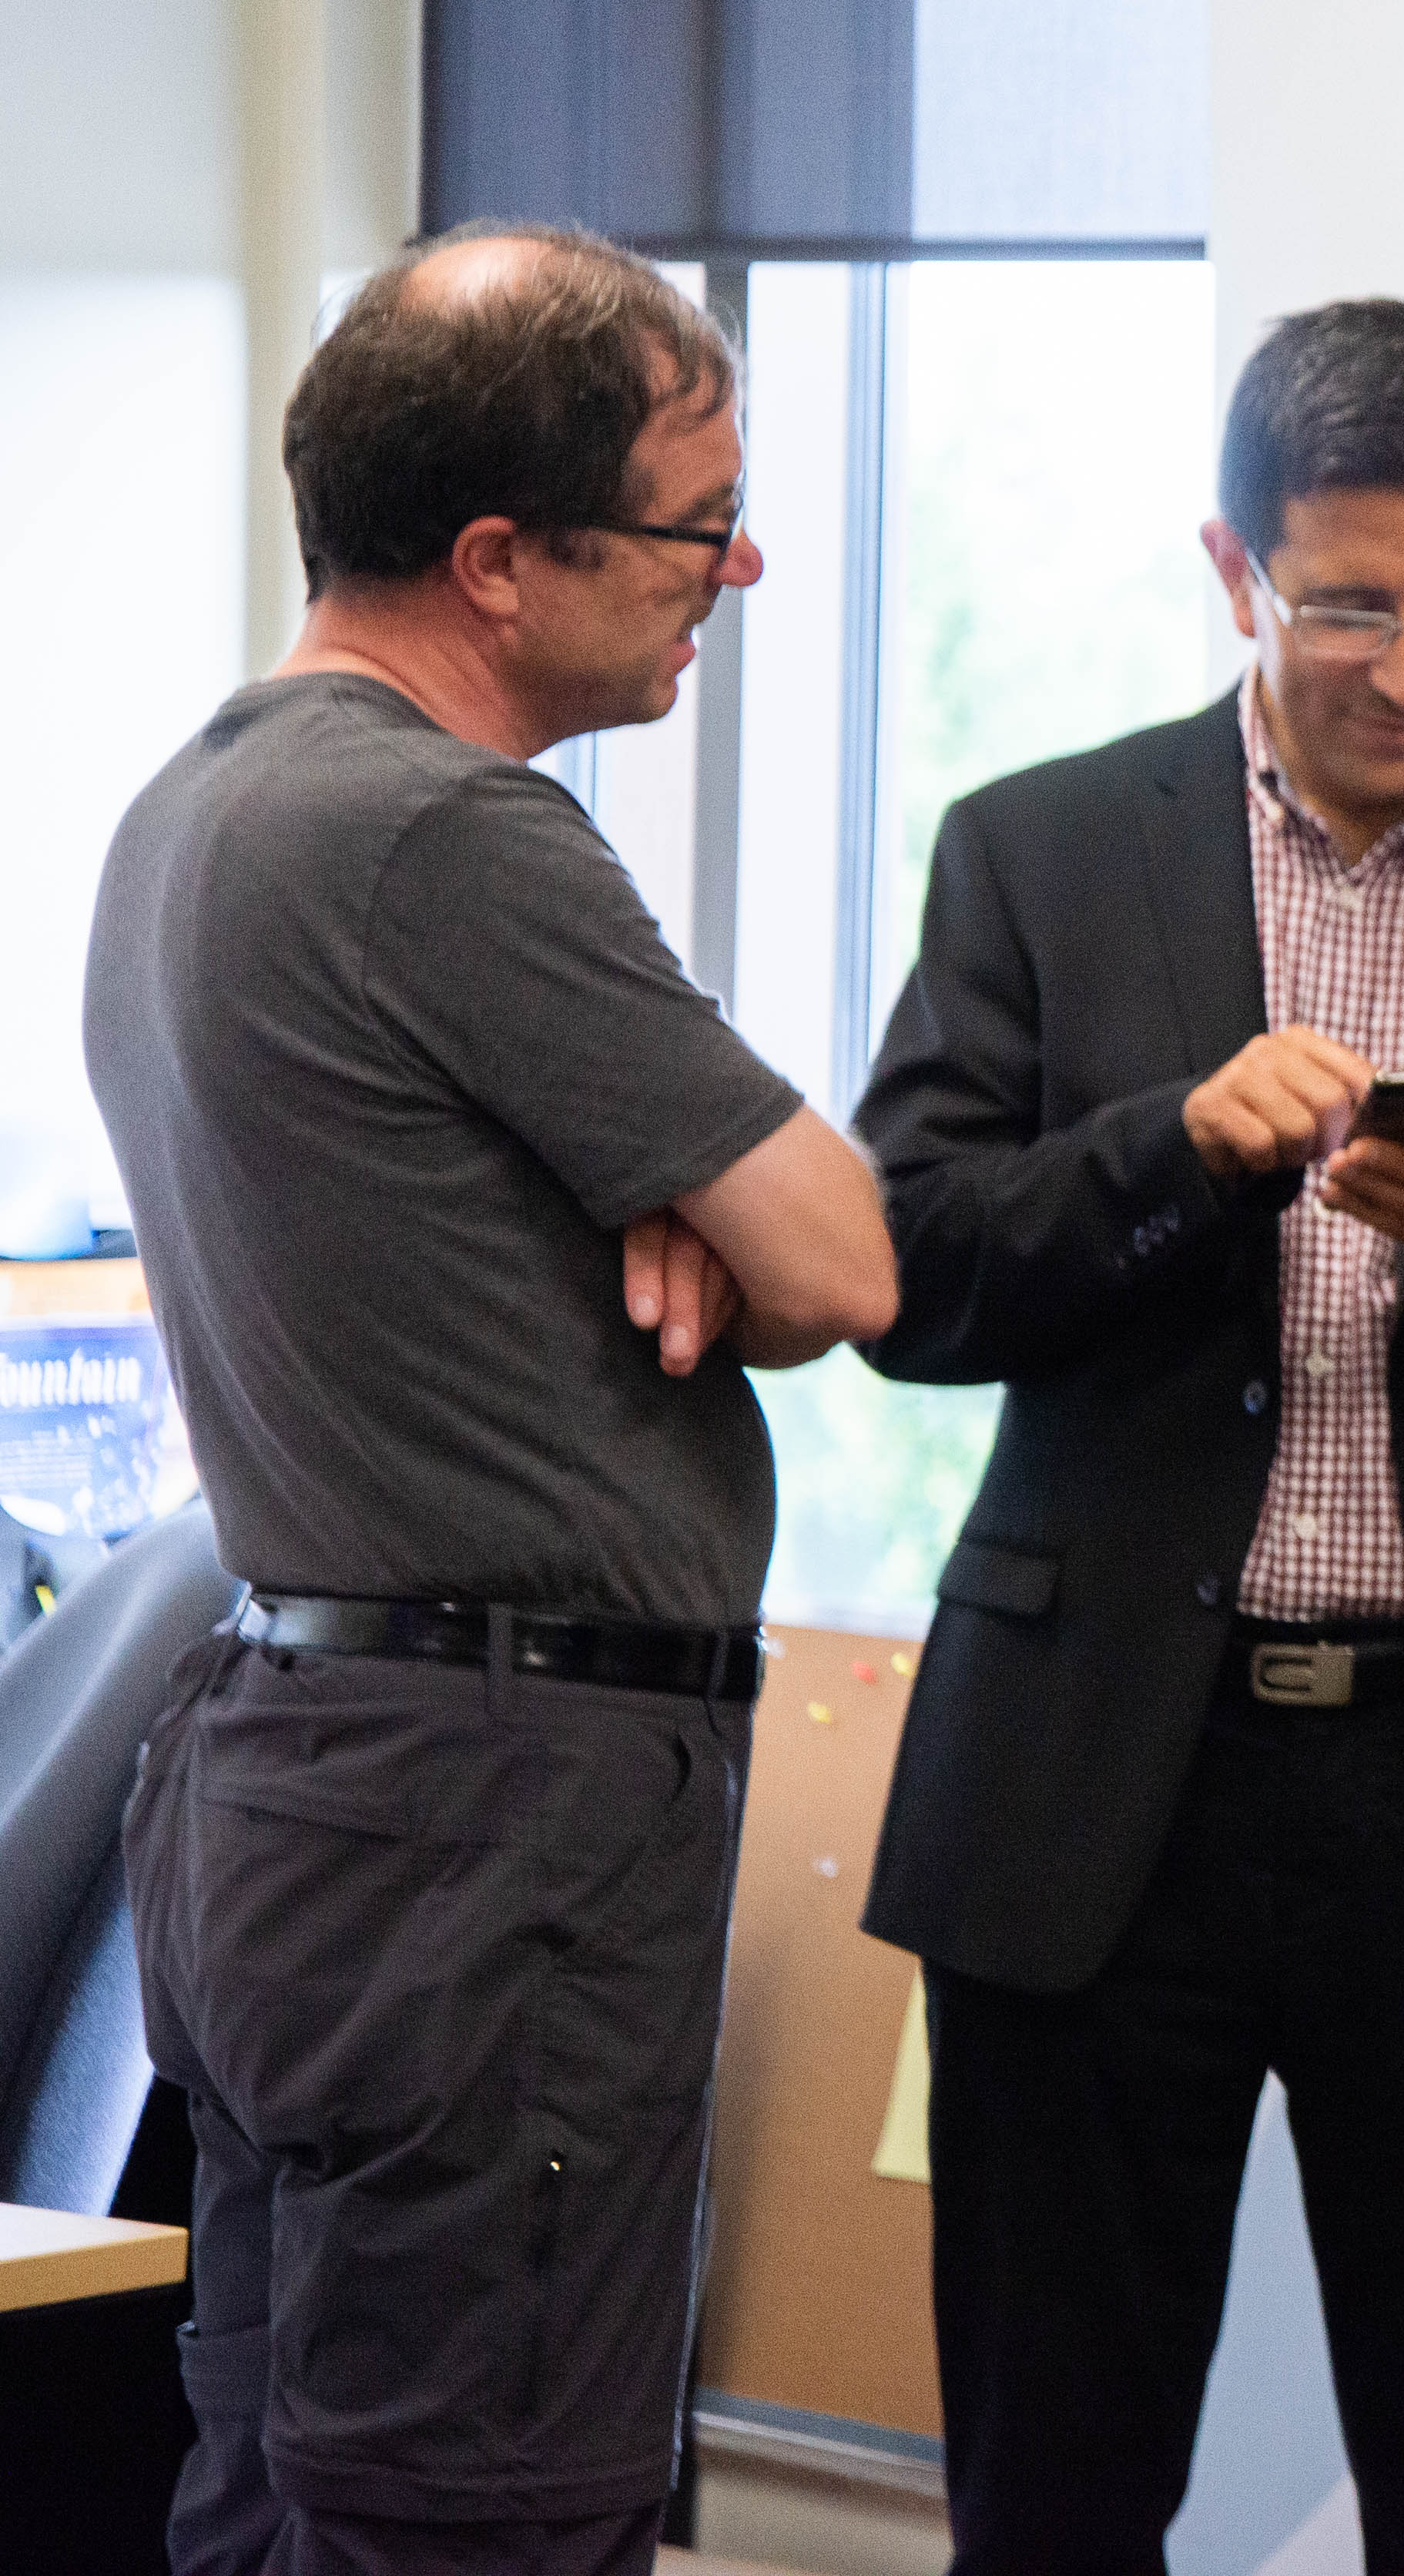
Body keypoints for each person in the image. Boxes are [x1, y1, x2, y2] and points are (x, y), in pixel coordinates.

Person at [853, 299, 1404, 2572]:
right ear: (1233, 568)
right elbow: (910, 1273)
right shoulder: (1039, 851)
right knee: (1052, 2497)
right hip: (1097, 1792)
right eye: (1350, 603)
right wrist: (1171, 1148)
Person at [88, 223, 899, 2575]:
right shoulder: (450, 834)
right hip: (492, 1828)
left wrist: (672, 1216)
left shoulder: (199, 809)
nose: (733, 568)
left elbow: (728, 1256)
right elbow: (838, 1254)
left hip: (308, 1787)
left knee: (287, 2514)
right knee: (480, 2528)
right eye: (685, 527)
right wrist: (710, 1219)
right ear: (492, 562)